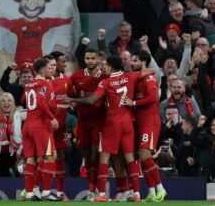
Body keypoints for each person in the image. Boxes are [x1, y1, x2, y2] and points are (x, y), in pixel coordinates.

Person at [66, 55, 155, 202]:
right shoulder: (130, 76)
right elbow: (151, 71)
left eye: (105, 65)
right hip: (128, 123)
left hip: (112, 123)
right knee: (129, 158)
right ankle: (137, 195)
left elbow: (91, 100)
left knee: (104, 157)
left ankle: (101, 194)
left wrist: (72, 99)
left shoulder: (106, 82)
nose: (103, 68)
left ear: (111, 66)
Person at [0, 0, 72, 65]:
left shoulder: (44, 23)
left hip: (37, 60)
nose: (32, 3)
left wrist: (69, 19)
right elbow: (5, 22)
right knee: (23, 78)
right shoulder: (17, 23)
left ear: (45, 0)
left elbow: (57, 21)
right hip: (20, 60)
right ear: (20, 0)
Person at [124, 50, 167, 202]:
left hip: (150, 121)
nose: (132, 63)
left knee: (144, 155)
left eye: (135, 60)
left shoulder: (149, 78)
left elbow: (154, 97)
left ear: (143, 62)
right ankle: (152, 193)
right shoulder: (136, 79)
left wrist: (133, 103)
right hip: (140, 122)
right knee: (143, 158)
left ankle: (161, 189)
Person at [70, 48, 106, 200]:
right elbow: (69, 94)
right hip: (83, 122)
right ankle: (92, 188)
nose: (90, 61)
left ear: (98, 59)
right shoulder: (76, 76)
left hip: (99, 122)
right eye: (88, 58)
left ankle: (93, 191)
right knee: (86, 156)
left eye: (93, 58)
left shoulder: (104, 77)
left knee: (94, 155)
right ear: (84, 59)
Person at [22, 58, 60, 201]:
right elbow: (40, 101)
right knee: (49, 156)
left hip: (27, 125)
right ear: (42, 70)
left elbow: (25, 101)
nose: (52, 69)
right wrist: (52, 117)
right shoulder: (44, 83)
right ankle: (46, 192)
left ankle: (30, 193)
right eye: (49, 67)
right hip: (40, 126)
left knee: (31, 159)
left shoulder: (28, 85)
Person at [50, 51, 74, 200]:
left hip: (62, 127)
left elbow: (71, 98)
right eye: (62, 62)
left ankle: (59, 192)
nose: (64, 64)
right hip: (47, 126)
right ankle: (35, 190)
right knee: (44, 158)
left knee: (60, 156)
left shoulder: (66, 79)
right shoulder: (46, 81)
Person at [0, 93, 24, 176]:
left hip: (14, 151)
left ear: (13, 102)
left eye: (9, 101)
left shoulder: (19, 113)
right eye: (3, 101)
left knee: (15, 177)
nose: (6, 103)